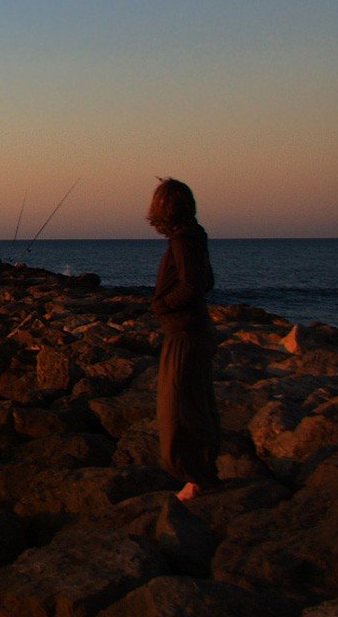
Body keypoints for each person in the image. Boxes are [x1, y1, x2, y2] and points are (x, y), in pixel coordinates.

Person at [148, 177, 219, 501]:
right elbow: (207, 281)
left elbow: (193, 285)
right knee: (195, 403)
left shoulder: (183, 242)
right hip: (191, 331)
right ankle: (202, 474)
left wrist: (161, 304)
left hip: (185, 333)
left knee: (176, 408)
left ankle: (196, 477)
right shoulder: (193, 239)